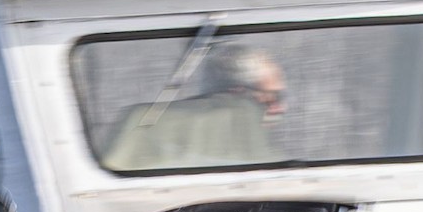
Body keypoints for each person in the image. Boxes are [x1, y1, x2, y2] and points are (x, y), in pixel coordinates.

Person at [100, 43, 288, 171]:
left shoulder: (140, 123)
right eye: (272, 97)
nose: (280, 108)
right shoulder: (260, 159)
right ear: (236, 93)